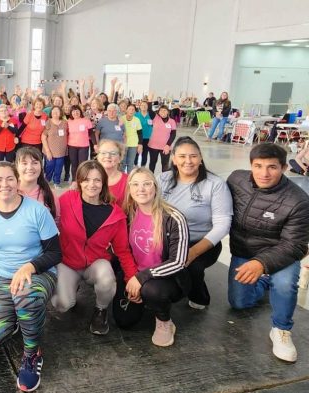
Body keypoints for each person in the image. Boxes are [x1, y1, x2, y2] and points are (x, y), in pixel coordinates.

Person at [0, 161, 61, 392]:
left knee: (25, 296)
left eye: (9, 179)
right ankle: (23, 318)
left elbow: (55, 253)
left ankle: (32, 353)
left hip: (38, 274)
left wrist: (30, 267)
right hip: (1, 277)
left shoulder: (37, 211)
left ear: (17, 182)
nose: (4, 184)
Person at [226, 143, 309, 362]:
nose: (264, 173)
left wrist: (261, 264)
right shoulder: (236, 179)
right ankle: (263, 282)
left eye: (272, 167)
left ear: (283, 167)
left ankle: (281, 329)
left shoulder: (298, 201)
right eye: (258, 166)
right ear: (250, 165)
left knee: (283, 283)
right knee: (239, 303)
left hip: (281, 254)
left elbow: (296, 246)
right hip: (244, 251)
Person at [55, 161, 138, 335]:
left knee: (107, 278)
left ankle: (101, 310)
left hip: (95, 263)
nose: (91, 185)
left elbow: (123, 251)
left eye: (97, 180)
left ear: (103, 183)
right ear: (79, 181)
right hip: (68, 262)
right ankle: (71, 288)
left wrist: (132, 278)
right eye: (86, 180)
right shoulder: (66, 200)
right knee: (63, 305)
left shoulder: (115, 214)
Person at [117, 168, 189, 347]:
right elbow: (122, 250)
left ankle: (164, 321)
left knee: (152, 291)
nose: (141, 189)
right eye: (135, 184)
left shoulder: (173, 217)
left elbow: (178, 261)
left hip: (166, 278)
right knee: (124, 321)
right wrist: (130, 278)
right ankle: (143, 300)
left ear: (155, 188)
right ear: (130, 190)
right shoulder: (128, 215)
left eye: (146, 184)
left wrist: (140, 279)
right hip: (135, 274)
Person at [159, 137, 232, 309]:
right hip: (169, 240)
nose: (188, 161)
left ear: (200, 159)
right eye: (182, 156)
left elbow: (222, 225)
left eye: (193, 156)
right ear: (174, 159)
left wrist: (192, 253)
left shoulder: (215, 184)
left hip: (200, 242)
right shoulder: (162, 179)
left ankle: (199, 294)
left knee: (191, 268)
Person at [15, 147, 57, 220]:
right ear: (16, 166)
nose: (30, 167)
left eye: (35, 163)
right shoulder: (7, 191)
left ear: (41, 166)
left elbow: (56, 220)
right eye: (24, 163)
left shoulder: (49, 194)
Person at [95, 140, 128, 206]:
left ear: (120, 158)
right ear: (98, 157)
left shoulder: (128, 181)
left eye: (113, 153)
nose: (107, 156)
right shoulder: (88, 178)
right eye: (103, 153)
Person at [41, 106, 68, 186]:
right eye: (53, 112)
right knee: (49, 166)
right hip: (50, 150)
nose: (55, 113)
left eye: (57, 111)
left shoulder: (64, 123)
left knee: (59, 167)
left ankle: (57, 182)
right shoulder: (48, 122)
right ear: (51, 113)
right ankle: (47, 180)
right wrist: (48, 151)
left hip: (61, 150)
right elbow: (43, 137)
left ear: (60, 113)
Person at [146, 105, 177, 174]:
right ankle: (151, 178)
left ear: (168, 112)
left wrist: (168, 145)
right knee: (152, 163)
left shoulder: (172, 121)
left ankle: (164, 180)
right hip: (153, 146)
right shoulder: (155, 118)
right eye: (161, 110)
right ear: (158, 112)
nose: (162, 112)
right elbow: (150, 110)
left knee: (165, 165)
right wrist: (150, 100)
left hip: (165, 147)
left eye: (164, 110)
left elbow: (173, 134)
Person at [67, 105, 93, 174]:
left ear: (80, 112)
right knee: (74, 165)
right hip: (72, 146)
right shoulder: (68, 122)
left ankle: (81, 180)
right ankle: (74, 181)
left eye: (77, 111)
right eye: (73, 111)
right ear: (71, 113)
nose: (75, 113)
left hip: (83, 147)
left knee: (83, 165)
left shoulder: (86, 120)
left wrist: (95, 144)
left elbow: (91, 133)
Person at [121, 103, 142, 171]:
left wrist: (140, 144)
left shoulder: (137, 120)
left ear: (135, 112)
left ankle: (130, 179)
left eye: (133, 110)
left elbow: (140, 133)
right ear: (126, 110)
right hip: (123, 144)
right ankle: (123, 179)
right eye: (130, 109)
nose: (131, 111)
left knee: (130, 163)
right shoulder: (121, 119)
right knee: (122, 163)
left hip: (133, 145)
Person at [135, 101, 155, 167]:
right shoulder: (136, 114)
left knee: (145, 153)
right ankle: (135, 165)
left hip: (147, 137)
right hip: (137, 137)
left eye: (145, 105)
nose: (143, 106)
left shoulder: (150, 115)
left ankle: (143, 166)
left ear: (147, 107)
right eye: (142, 105)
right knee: (136, 152)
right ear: (139, 107)